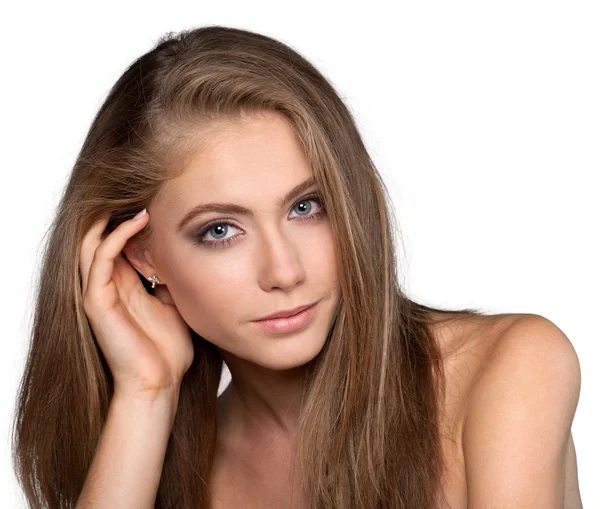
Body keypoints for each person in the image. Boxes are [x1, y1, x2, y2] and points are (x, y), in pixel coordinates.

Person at [11, 25, 582, 509]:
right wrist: (145, 391)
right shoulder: (175, 465)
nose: (283, 272)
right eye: (220, 230)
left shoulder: (504, 368)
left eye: (306, 207)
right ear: (143, 254)